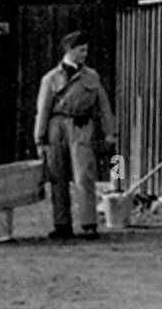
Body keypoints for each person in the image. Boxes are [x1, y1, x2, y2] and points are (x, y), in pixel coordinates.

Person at [34, 31, 115, 241]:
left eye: (86, 50)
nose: (85, 54)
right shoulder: (51, 78)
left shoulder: (92, 76)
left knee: (84, 174)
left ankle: (88, 223)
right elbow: (43, 109)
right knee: (57, 175)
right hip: (56, 126)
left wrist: (110, 132)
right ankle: (62, 224)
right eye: (81, 50)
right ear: (69, 50)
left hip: (81, 126)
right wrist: (39, 138)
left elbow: (104, 105)